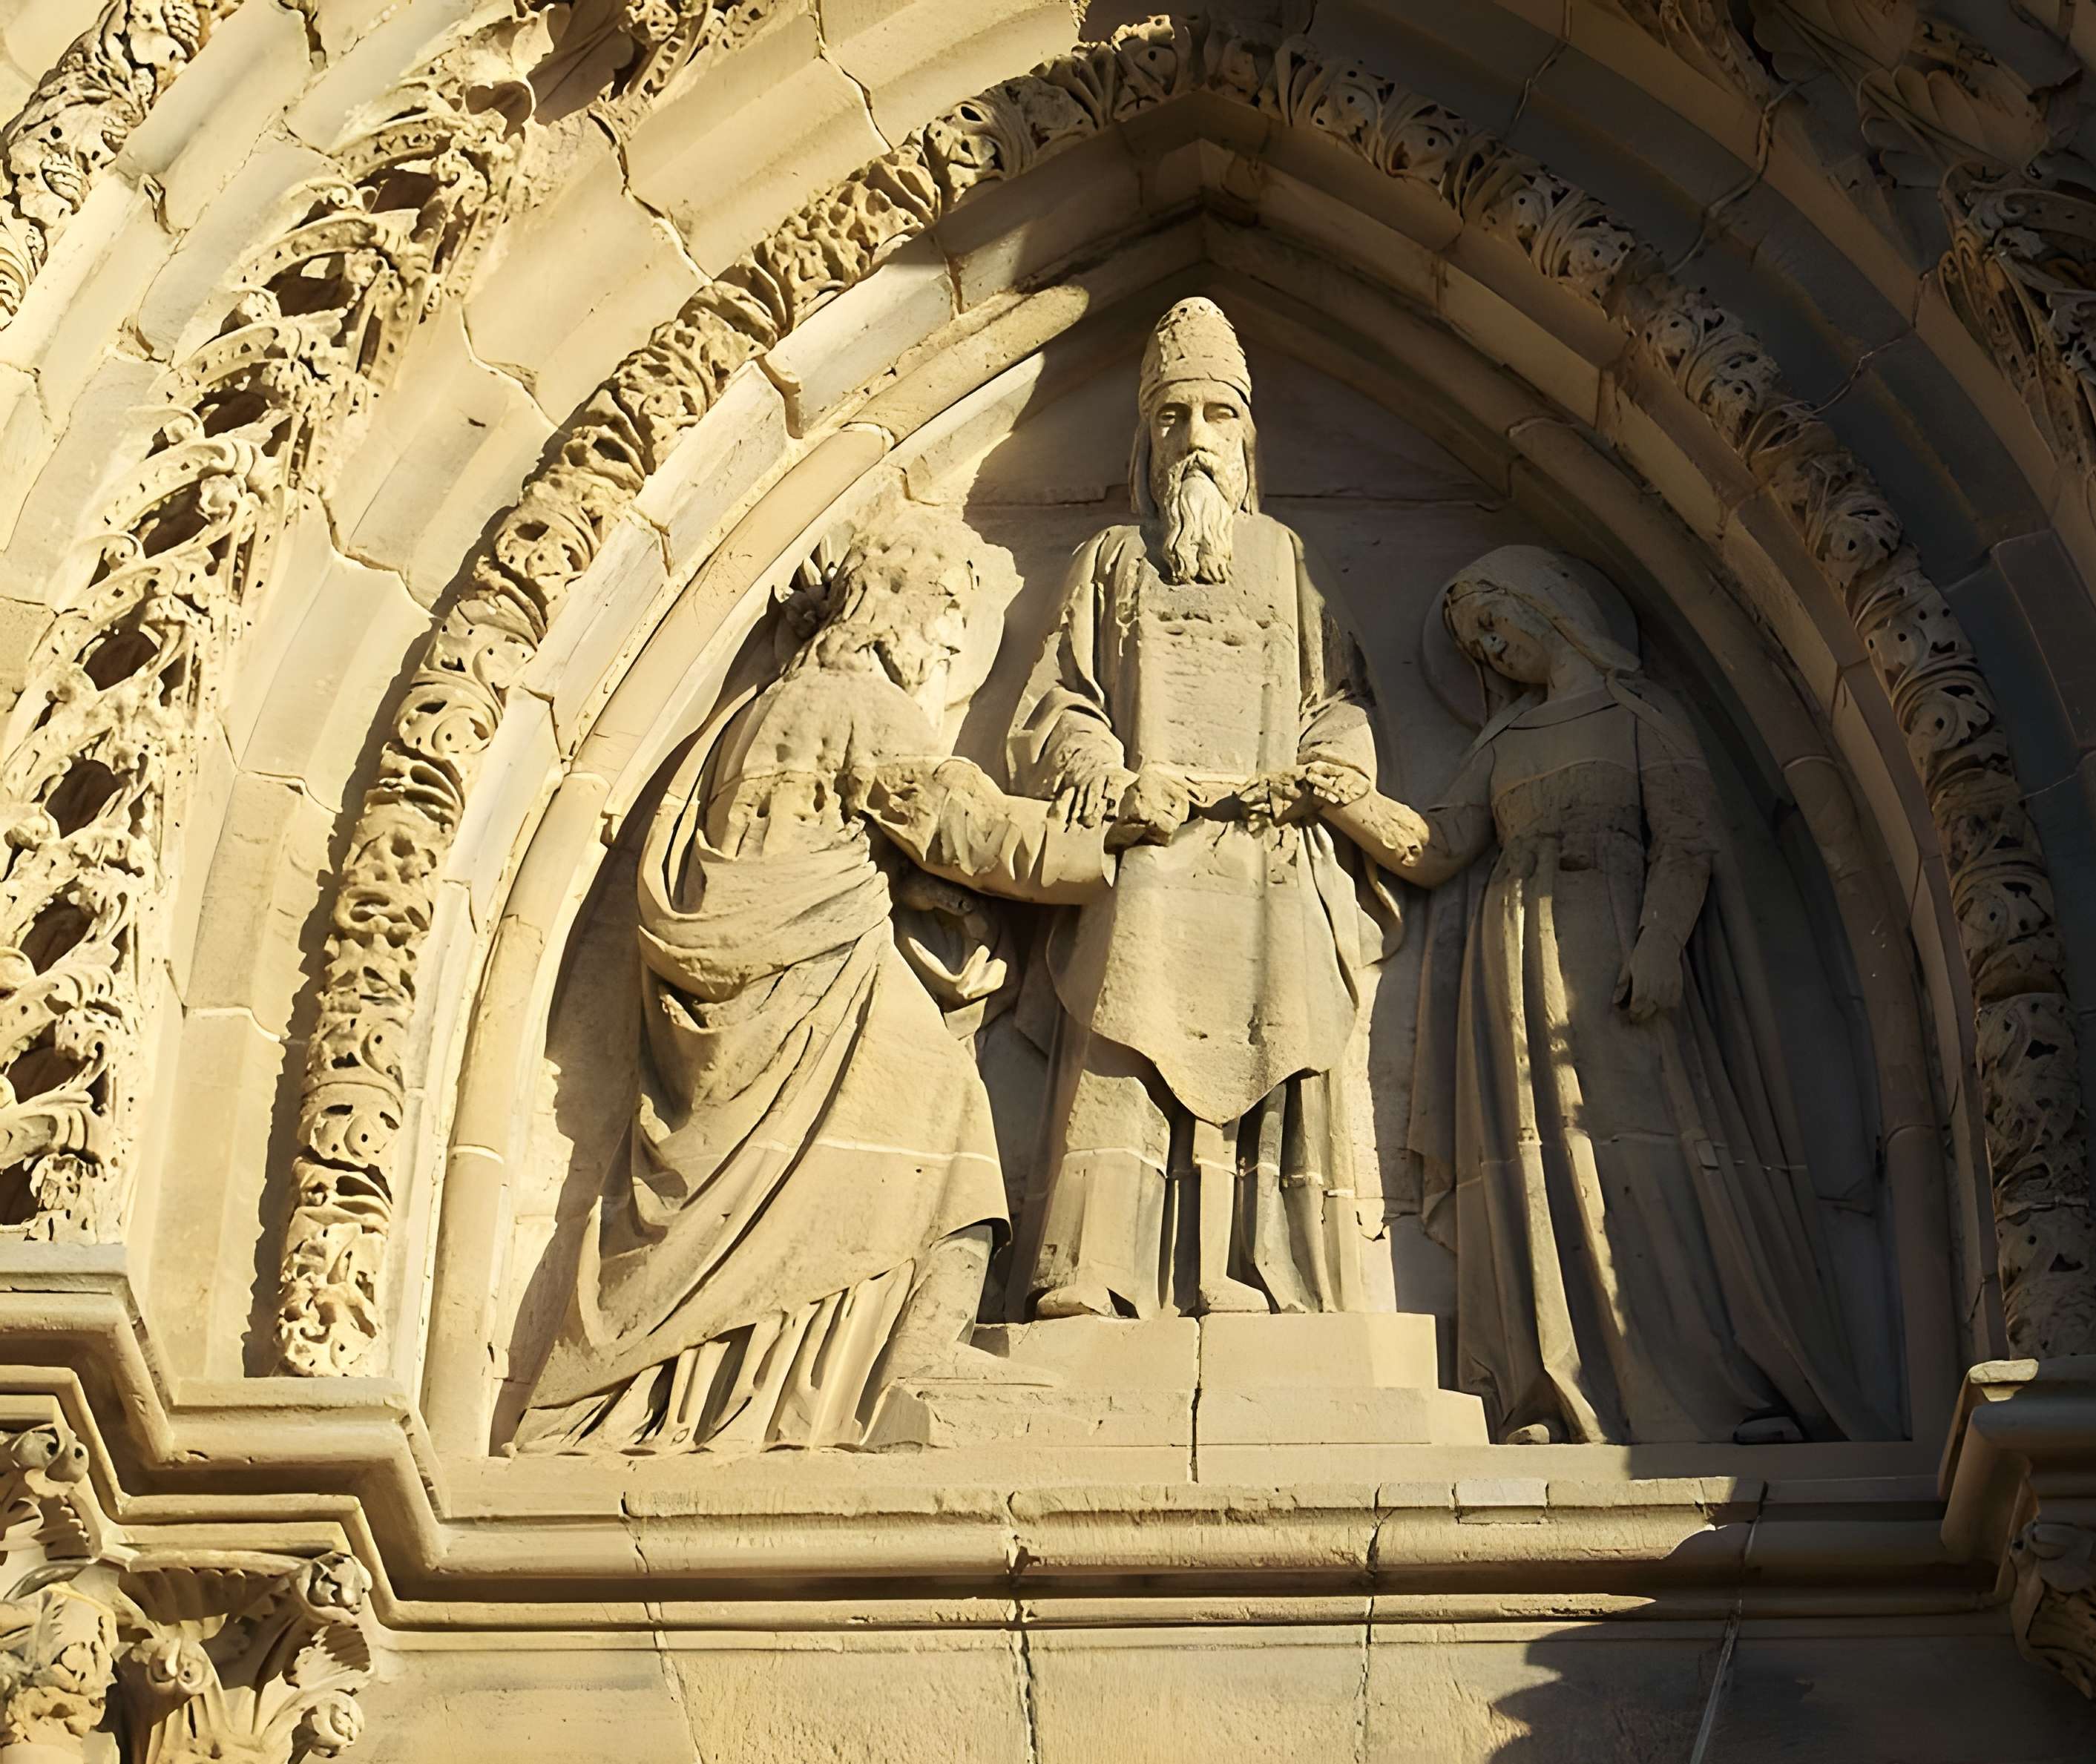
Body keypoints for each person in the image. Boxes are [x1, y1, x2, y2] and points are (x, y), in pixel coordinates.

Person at [517, 513, 1117, 1453]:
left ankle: (708, 1382)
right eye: (949, 609)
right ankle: (909, 1360)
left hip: (754, 1001)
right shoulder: (855, 704)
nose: (957, 638)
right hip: (808, 998)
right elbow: (968, 830)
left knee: (830, 1166)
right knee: (949, 1129)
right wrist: (1113, 846)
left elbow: (797, 845)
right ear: (888, 605)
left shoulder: (750, 714)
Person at [1321, 546, 1891, 1444]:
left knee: (1651, 1163)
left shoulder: (1638, 716)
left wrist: (1659, 942)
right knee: (1537, 1174)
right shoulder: (1500, 744)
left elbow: (1687, 840)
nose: (1490, 648)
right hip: (1514, 970)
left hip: (1613, 947)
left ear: (1548, 606)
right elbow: (1434, 848)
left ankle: (1720, 1391)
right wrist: (1346, 801)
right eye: (1475, 642)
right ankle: (1558, 1394)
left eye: (1495, 623)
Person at [1005, 297, 1390, 1319]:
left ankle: (1265, 1277)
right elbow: (1058, 706)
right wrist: (1116, 783)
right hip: (1151, 857)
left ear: (1248, 432)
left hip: (1269, 857)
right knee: (1125, 1037)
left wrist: (1326, 768)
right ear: (1146, 435)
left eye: (1218, 414)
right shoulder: (1110, 561)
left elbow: (1339, 702)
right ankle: (1094, 1271)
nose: (1196, 439)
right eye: (1173, 417)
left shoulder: (1285, 560)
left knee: (1276, 1046)